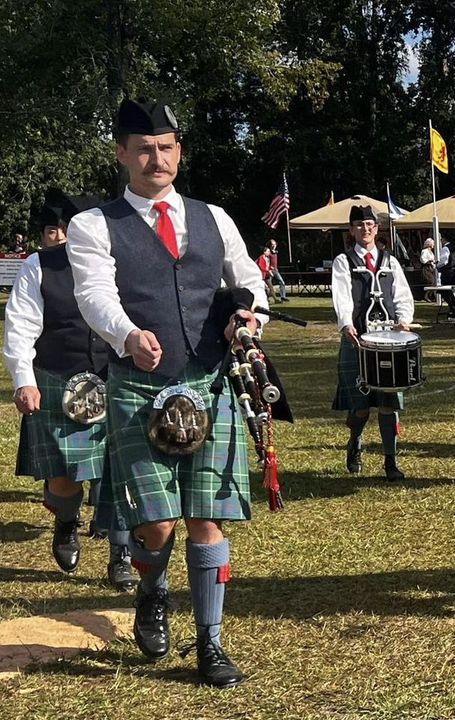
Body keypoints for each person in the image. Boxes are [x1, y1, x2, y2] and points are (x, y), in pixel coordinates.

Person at [66, 99, 270, 688]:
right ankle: (153, 589)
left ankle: (210, 643)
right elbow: (94, 294)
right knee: (156, 525)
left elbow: (247, 280)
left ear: (179, 149)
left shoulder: (214, 216)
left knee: (208, 518)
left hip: (209, 382)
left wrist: (247, 320)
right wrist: (128, 335)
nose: (158, 157)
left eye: (167, 146)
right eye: (145, 148)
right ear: (122, 154)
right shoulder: (93, 224)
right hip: (138, 386)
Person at [4, 196, 134, 590]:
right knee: (64, 479)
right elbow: (21, 324)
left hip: (118, 378)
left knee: (121, 472)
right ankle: (66, 520)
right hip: (59, 379)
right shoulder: (39, 265)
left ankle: (122, 553)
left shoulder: (123, 263)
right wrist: (24, 378)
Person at [331, 205, 415, 481]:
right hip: (357, 340)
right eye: (359, 224)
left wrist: (404, 319)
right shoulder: (344, 261)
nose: (365, 229)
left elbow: (401, 294)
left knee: (389, 404)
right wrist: (346, 323)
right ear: (351, 230)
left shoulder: (390, 261)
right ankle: (355, 441)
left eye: (370, 224)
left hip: (388, 341)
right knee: (360, 407)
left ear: (377, 228)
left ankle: (390, 462)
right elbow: (341, 294)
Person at [257, 239, 288, 303]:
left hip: (275, 270)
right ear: (270, 245)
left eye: (274, 244)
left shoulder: (275, 252)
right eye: (272, 244)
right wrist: (268, 269)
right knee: (269, 286)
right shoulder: (267, 253)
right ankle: (268, 298)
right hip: (269, 271)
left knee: (281, 282)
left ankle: (282, 296)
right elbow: (264, 262)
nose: (274, 245)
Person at [420, 237, 439, 302]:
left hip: (432, 268)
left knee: (434, 282)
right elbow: (422, 259)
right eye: (433, 243)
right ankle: (427, 295)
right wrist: (429, 261)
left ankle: (431, 296)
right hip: (427, 268)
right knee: (431, 281)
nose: (433, 245)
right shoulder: (424, 251)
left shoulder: (431, 252)